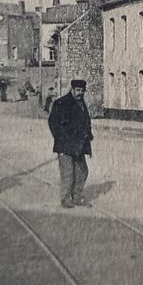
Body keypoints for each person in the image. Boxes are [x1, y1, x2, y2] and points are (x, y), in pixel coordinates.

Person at [47, 78, 93, 208]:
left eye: (82, 91)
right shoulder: (61, 103)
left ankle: (77, 196)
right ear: (72, 89)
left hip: (79, 146)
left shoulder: (81, 103)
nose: (80, 93)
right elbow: (53, 123)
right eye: (78, 90)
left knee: (83, 171)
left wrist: (89, 136)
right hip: (65, 145)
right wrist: (61, 138)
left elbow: (86, 123)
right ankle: (66, 199)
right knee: (68, 173)